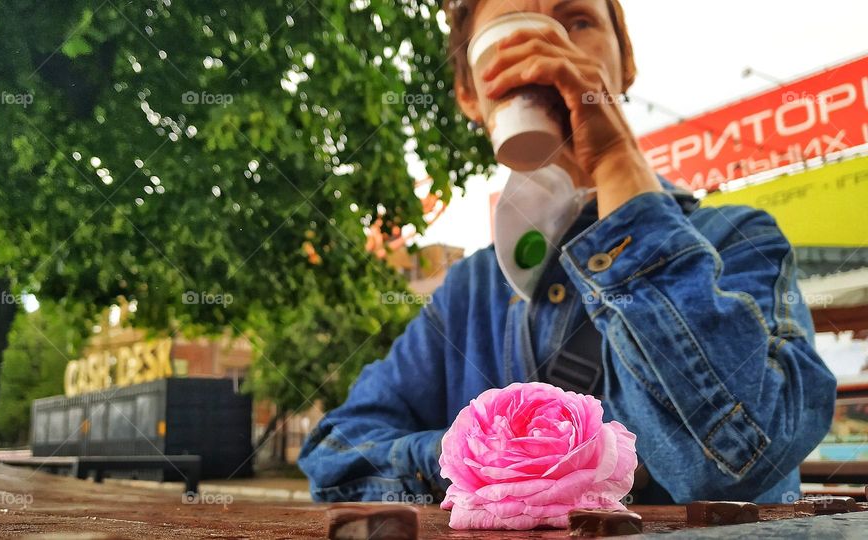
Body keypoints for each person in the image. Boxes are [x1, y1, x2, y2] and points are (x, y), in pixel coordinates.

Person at [298, 0, 836, 504]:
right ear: (469, 93)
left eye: (576, 22)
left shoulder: (739, 238)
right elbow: (334, 453)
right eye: (505, 37)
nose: (542, 53)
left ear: (625, 65)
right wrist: (481, 459)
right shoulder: (470, 288)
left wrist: (614, 158)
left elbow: (730, 458)